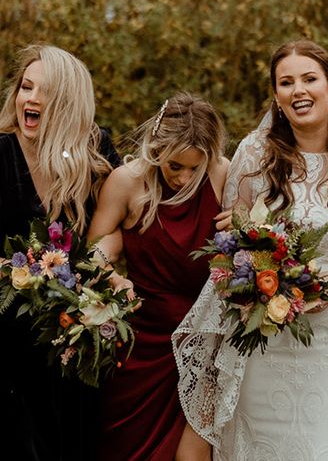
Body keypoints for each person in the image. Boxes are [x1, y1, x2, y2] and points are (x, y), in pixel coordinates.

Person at [173, 39, 328, 460]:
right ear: (276, 96)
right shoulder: (254, 154)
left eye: (309, 79)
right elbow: (233, 245)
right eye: (286, 82)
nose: (298, 90)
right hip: (268, 340)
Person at [0, 44, 119, 461]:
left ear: (69, 101)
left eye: (45, 91)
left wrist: (102, 267)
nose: (31, 98)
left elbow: (116, 228)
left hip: (69, 345)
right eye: (26, 87)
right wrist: (19, 271)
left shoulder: (94, 156)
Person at [89, 92, 229, 461]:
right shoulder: (126, 181)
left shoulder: (224, 175)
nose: (184, 178)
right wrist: (110, 275)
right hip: (140, 344)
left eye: (194, 168)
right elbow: (94, 252)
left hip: (203, 341)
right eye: (174, 167)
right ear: (156, 147)